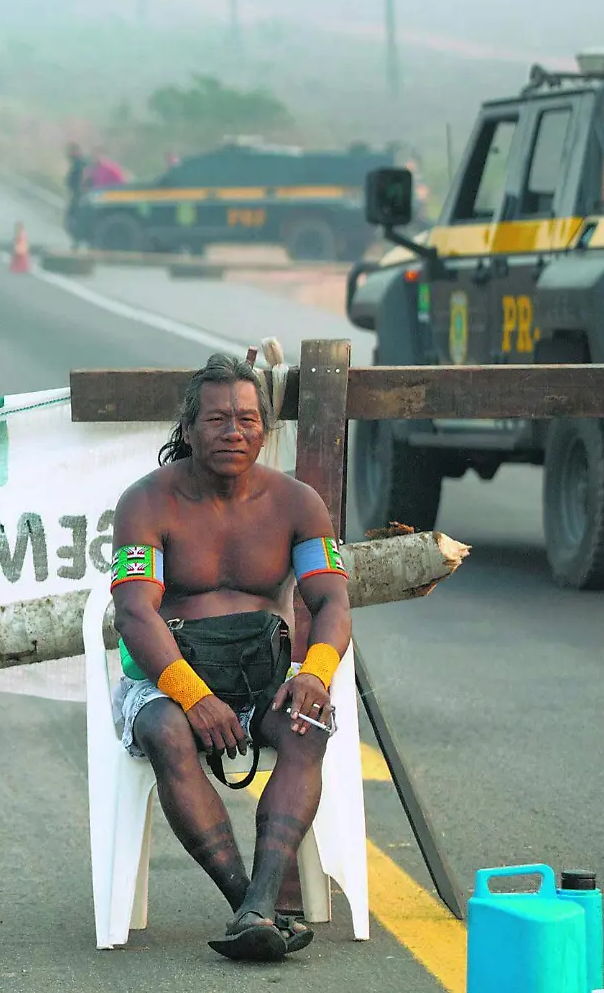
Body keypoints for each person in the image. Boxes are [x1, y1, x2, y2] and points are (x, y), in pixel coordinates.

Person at [108, 353, 352, 963]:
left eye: (246, 419)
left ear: (263, 430)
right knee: (164, 727)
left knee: (309, 724)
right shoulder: (146, 503)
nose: (233, 432)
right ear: (188, 429)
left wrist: (315, 675)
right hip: (170, 684)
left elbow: (331, 602)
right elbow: (136, 613)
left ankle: (259, 906)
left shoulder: (299, 504)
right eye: (217, 420)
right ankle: (251, 903)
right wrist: (192, 696)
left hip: (263, 676)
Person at [65, 142, 89, 246]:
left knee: (75, 219)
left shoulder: (80, 165)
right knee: (73, 219)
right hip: (78, 195)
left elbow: (82, 181)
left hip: (80, 196)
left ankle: (77, 241)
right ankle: (76, 241)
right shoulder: (79, 164)